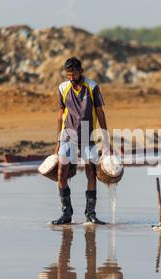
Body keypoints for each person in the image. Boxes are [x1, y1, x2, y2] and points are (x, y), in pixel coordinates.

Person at [52, 57, 110, 225]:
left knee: (91, 173)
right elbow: (60, 114)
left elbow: (100, 112)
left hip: (88, 134)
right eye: (68, 74)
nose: (71, 77)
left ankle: (90, 214)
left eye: (74, 74)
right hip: (67, 135)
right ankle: (66, 214)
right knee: (61, 173)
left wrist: (105, 138)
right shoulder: (63, 88)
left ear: (81, 71)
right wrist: (58, 140)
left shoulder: (92, 87)